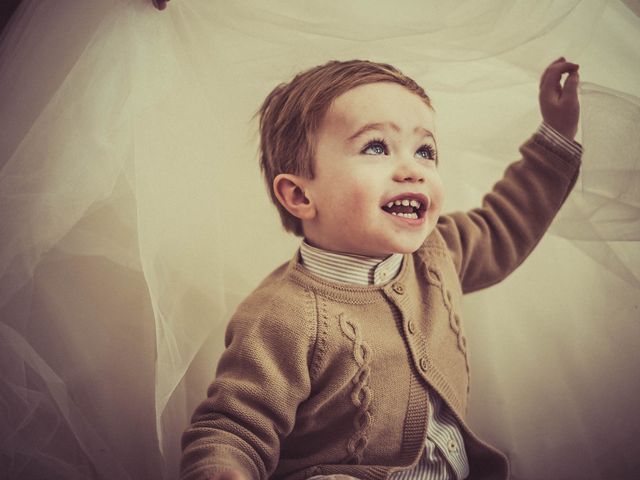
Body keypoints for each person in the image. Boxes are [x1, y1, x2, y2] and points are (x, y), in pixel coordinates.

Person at [179, 57, 581, 480]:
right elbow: (232, 431)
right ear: (299, 195)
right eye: (376, 147)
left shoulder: (437, 252)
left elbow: (506, 223)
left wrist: (555, 138)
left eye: (425, 151)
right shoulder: (282, 315)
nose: (412, 170)